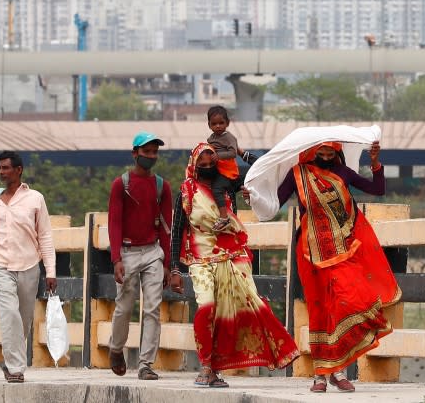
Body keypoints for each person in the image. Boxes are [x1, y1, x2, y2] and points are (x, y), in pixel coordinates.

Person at [169, 143, 300, 388]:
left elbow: (257, 175)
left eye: (211, 163)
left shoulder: (227, 187)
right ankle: (206, 365)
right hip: (200, 259)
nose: (207, 168)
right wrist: (175, 269)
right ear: (194, 166)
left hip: (231, 257)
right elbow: (177, 233)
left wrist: (243, 157)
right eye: (203, 165)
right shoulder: (185, 193)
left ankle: (216, 369)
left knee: (238, 308)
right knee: (207, 307)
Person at [276, 140, 400, 393]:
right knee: (320, 308)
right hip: (310, 251)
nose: (324, 155)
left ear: (337, 152)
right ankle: (323, 375)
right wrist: (252, 195)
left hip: (344, 249)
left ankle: (339, 368)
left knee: (350, 302)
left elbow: (377, 189)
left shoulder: (342, 172)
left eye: (329, 151)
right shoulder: (299, 174)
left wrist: (375, 163)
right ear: (311, 151)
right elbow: (274, 201)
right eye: (320, 151)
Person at [0, 150, 56, 383]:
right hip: (1, 266)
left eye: (6, 168)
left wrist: (51, 271)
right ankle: (16, 369)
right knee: (9, 316)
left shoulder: (35, 198)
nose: (1, 172)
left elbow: (45, 236)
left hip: (29, 267)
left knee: (24, 320)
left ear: (19, 170)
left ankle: (9, 361)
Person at [107, 131, 173, 380]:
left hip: (152, 251)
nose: (151, 156)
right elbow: (114, 223)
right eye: (147, 152)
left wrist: (167, 263)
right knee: (124, 306)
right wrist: (116, 259)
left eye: (155, 152)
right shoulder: (121, 184)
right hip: (128, 252)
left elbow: (166, 226)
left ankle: (146, 364)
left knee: (153, 308)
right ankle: (116, 348)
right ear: (135, 153)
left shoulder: (161, 186)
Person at [205, 105, 256, 232]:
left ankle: (224, 217)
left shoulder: (229, 137)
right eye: (214, 123)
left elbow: (233, 153)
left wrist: (218, 156)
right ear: (209, 125)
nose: (218, 126)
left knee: (217, 189)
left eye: (221, 123)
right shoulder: (211, 139)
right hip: (217, 171)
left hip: (228, 173)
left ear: (227, 123)